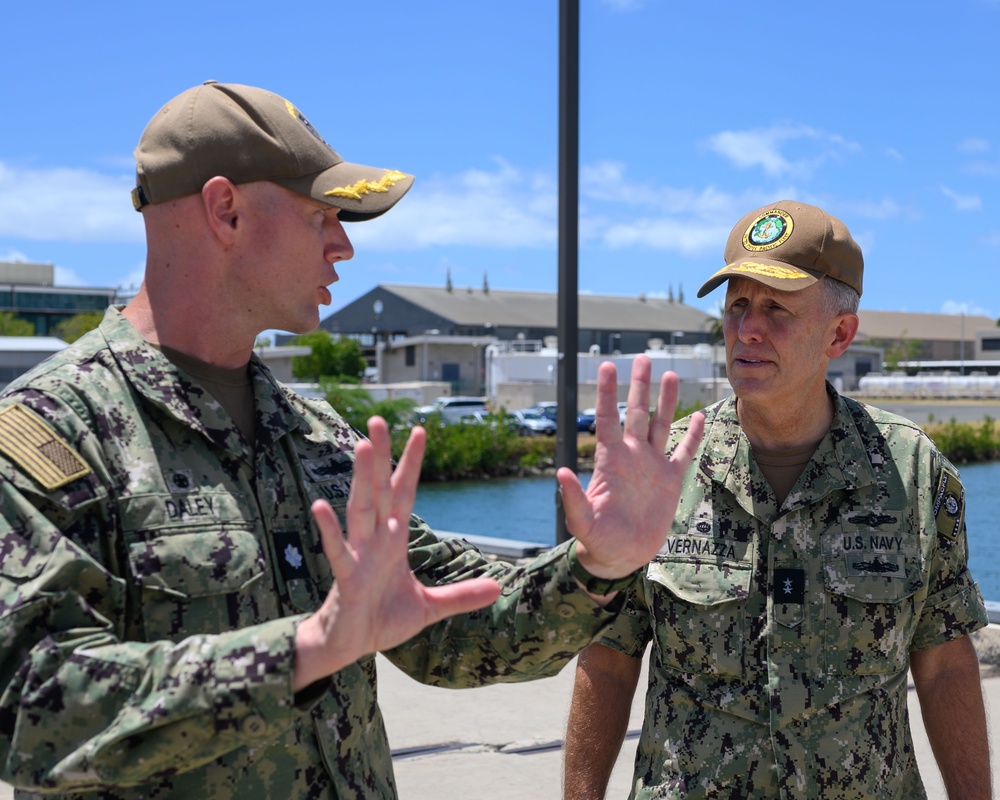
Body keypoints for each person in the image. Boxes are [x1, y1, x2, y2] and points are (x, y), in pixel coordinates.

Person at [0, 81, 705, 800]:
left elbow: (455, 628)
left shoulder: (315, 439)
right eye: (322, 214)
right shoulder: (53, 434)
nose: (343, 244)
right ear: (225, 210)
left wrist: (598, 567)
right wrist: (302, 653)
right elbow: (26, 705)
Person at [562, 200, 991, 800]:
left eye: (776, 308)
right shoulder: (663, 469)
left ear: (839, 334)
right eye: (737, 305)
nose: (748, 329)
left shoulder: (913, 472)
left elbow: (944, 662)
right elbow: (609, 656)